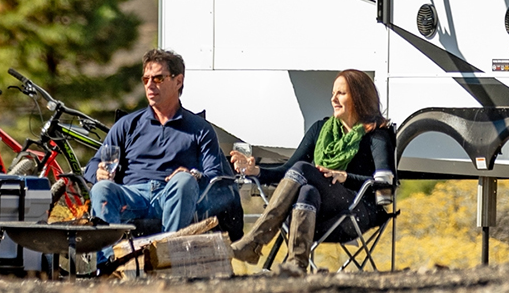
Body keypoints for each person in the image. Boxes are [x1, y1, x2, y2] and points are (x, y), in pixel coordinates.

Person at [229, 69, 394, 274]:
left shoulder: (376, 135)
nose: (333, 98)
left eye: (341, 93)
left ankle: (254, 241)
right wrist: (257, 171)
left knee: (304, 170)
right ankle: (296, 264)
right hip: (315, 217)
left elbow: (386, 183)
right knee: (307, 190)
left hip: (354, 215)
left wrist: (346, 177)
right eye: (333, 93)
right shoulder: (320, 129)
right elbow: (287, 172)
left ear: (359, 96)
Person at [86, 49, 227, 239]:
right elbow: (93, 164)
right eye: (146, 79)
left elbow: (214, 176)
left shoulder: (200, 129)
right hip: (131, 195)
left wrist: (192, 175)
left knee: (184, 181)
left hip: (171, 194)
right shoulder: (127, 125)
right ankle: (108, 263)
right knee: (101, 189)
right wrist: (98, 172)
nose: (150, 85)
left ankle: (168, 254)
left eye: (158, 79)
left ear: (178, 81)